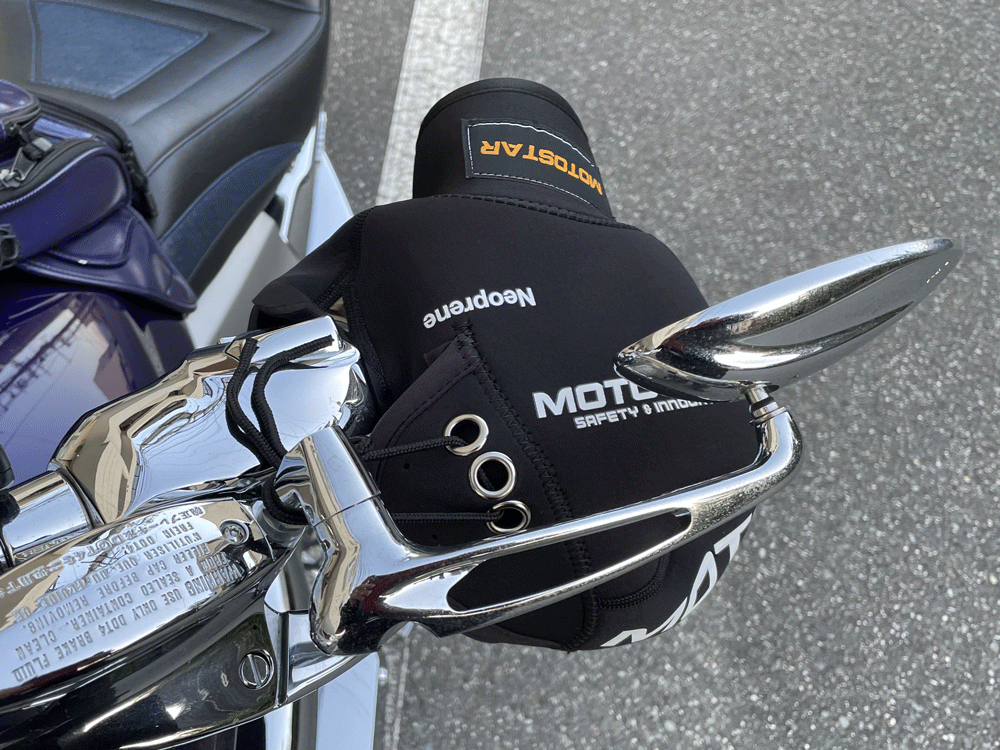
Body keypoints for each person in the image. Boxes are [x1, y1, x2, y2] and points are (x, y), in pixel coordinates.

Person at [250, 79, 759, 651]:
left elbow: (267, 343)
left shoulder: (392, 235)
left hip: (473, 562)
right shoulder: (653, 257)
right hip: (694, 530)